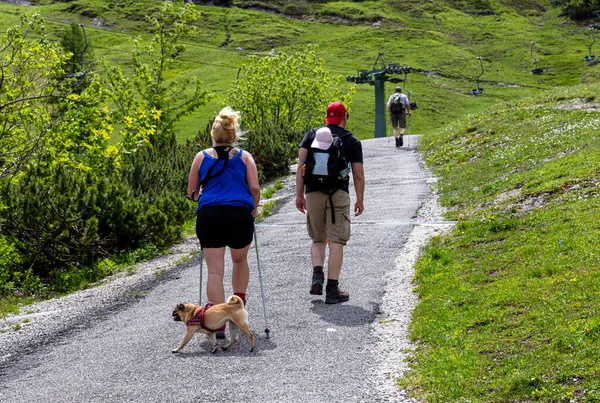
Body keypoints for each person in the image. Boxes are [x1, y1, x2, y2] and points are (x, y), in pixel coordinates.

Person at [187, 107, 260, 336]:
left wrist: (201, 195)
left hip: (210, 215)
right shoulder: (245, 157)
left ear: (213, 134)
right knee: (239, 261)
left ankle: (217, 322)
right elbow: (255, 188)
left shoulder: (201, 157)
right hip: (239, 214)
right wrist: (254, 209)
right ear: (233, 135)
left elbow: (192, 193)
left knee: (214, 271)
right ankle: (237, 308)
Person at [295, 102, 365, 304]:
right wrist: (360, 199)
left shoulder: (311, 135)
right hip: (338, 194)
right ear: (345, 117)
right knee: (336, 242)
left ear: (327, 118)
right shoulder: (351, 140)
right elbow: (358, 175)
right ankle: (332, 290)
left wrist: (299, 194)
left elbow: (301, 167)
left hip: (313, 193)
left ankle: (317, 276)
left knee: (318, 239)